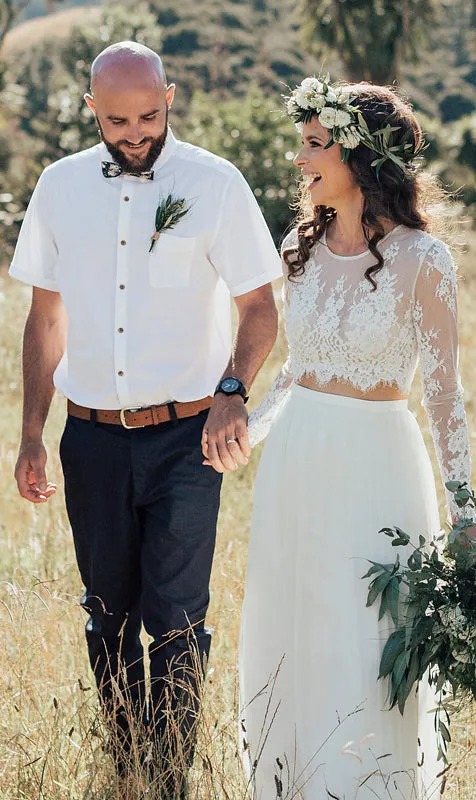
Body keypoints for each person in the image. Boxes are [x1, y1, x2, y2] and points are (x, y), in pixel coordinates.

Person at [9, 42, 281, 798]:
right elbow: (44, 318)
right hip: (90, 439)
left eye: (150, 117)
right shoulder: (60, 187)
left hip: (187, 440)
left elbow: (260, 306)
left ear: (171, 97)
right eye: (118, 120)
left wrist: (233, 389)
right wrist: (33, 432)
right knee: (106, 615)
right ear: (90, 108)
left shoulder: (214, 182)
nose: (135, 134)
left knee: (178, 619)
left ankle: (169, 781)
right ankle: (126, 765)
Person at [228, 78, 476, 799]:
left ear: (361, 156)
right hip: (297, 460)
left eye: (314, 145)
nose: (299, 158)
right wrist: (246, 431)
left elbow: (442, 393)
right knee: (294, 625)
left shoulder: (423, 261)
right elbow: (297, 370)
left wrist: (465, 507)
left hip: (377, 464)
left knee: (367, 637)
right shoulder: (299, 249)